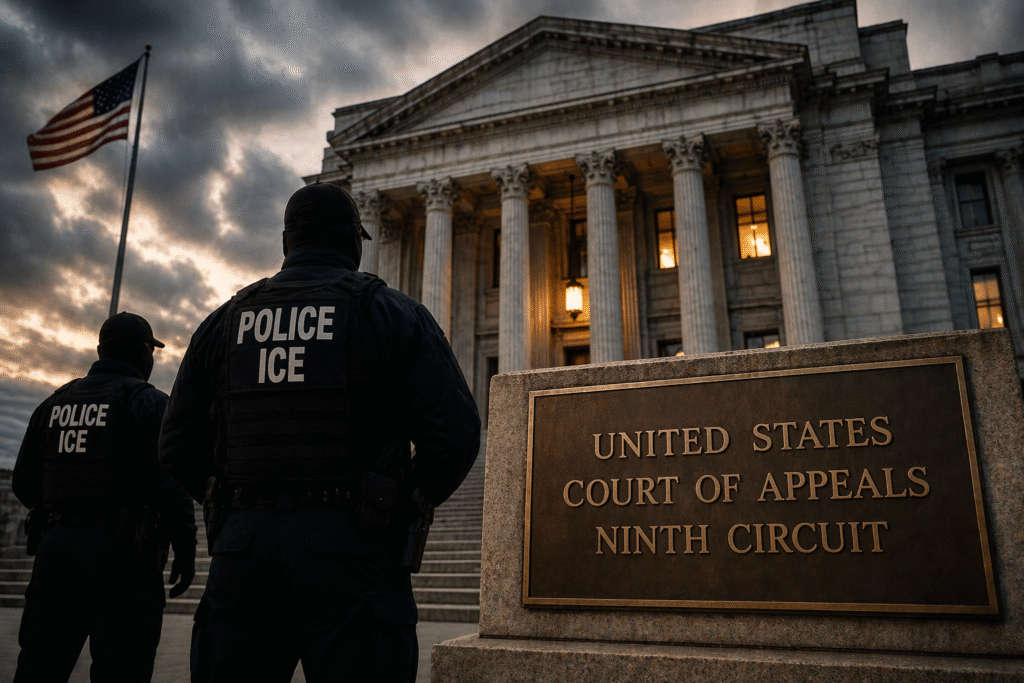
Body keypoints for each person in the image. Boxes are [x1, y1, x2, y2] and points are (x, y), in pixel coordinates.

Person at [159, 182, 481, 682]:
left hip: (244, 549)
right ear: (353, 242)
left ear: (288, 242)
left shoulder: (223, 322)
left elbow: (177, 445)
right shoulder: (391, 313)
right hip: (354, 547)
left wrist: (227, 498)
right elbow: (454, 435)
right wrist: (398, 504)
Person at [12, 312, 197, 683]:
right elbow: (171, 486)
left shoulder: (54, 403)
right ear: (143, 352)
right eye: (151, 350)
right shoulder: (149, 403)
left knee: (39, 668)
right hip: (123, 559)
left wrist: (64, 512)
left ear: (101, 350)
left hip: (55, 554)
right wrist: (186, 547)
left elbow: (23, 483)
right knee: (122, 670)